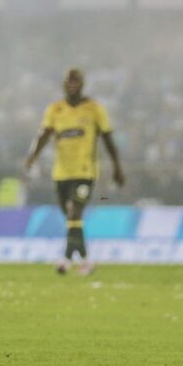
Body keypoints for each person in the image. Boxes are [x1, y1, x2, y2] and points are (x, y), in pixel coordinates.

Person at [24, 68, 125, 276]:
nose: (72, 85)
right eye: (69, 82)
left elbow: (107, 138)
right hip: (61, 173)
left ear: (82, 84)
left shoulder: (94, 109)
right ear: (64, 85)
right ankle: (85, 260)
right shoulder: (55, 109)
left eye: (76, 82)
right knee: (71, 219)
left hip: (85, 171)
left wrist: (117, 166)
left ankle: (65, 259)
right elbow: (44, 133)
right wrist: (33, 156)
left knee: (74, 212)